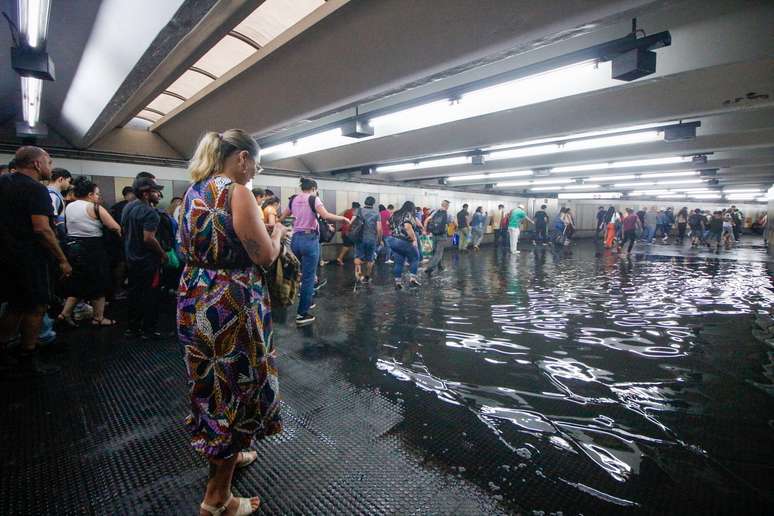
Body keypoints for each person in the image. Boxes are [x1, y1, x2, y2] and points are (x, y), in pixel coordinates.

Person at [177, 129, 285, 516]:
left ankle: (230, 453)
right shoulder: (236, 191)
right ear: (241, 158)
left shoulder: (194, 191)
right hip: (230, 302)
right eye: (255, 163)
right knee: (234, 390)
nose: (255, 171)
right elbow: (264, 256)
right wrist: (278, 234)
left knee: (210, 386)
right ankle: (217, 498)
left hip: (195, 294)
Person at [0, 146, 72, 376]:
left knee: (15, 305)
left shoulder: (4, 183)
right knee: (36, 306)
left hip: (6, 256)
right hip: (30, 258)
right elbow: (42, 229)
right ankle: (27, 356)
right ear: (36, 164)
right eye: (48, 162)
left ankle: (3, 352)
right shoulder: (35, 189)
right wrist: (62, 259)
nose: (50, 167)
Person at [281, 178, 349, 325]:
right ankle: (302, 314)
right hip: (309, 239)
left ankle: (306, 300)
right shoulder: (314, 199)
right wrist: (343, 218)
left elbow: (283, 217)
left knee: (299, 273)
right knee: (308, 277)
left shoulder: (293, 199)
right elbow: (325, 216)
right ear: (313, 188)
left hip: (295, 239)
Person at [57, 177, 121, 327]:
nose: (98, 197)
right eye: (97, 194)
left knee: (78, 283)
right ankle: (98, 318)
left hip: (73, 247)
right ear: (90, 194)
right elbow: (115, 227)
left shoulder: (69, 206)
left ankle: (64, 314)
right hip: (93, 248)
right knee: (99, 282)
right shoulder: (95, 207)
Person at [122, 176, 167, 339]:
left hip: (131, 258)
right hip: (148, 261)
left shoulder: (128, 207)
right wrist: (163, 254)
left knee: (134, 294)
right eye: (155, 191)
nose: (158, 195)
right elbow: (148, 238)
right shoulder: (151, 212)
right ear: (146, 194)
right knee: (150, 295)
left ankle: (132, 328)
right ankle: (149, 330)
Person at [388, 201, 421, 288]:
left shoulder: (395, 214)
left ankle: (398, 283)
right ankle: (413, 279)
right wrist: (414, 239)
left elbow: (389, 224)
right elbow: (407, 226)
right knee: (415, 258)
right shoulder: (408, 214)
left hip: (392, 240)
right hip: (403, 241)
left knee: (399, 262)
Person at [354, 196, 382, 284]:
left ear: (365, 202)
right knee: (370, 259)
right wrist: (379, 239)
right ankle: (367, 277)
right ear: (373, 203)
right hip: (371, 239)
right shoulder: (376, 213)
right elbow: (379, 228)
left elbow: (352, 222)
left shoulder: (359, 210)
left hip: (359, 238)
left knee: (358, 257)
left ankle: (358, 276)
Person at [423, 199, 452, 276]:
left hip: (434, 234)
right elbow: (450, 224)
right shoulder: (448, 214)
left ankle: (440, 266)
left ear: (442, 204)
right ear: (447, 206)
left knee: (435, 251)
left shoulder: (435, 211)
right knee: (438, 253)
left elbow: (426, 220)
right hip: (442, 235)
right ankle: (430, 268)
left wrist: (425, 230)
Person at [47, 167, 72, 240]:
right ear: (61, 179)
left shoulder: (51, 194)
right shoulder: (53, 195)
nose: (69, 184)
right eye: (68, 181)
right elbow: (53, 220)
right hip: (55, 237)